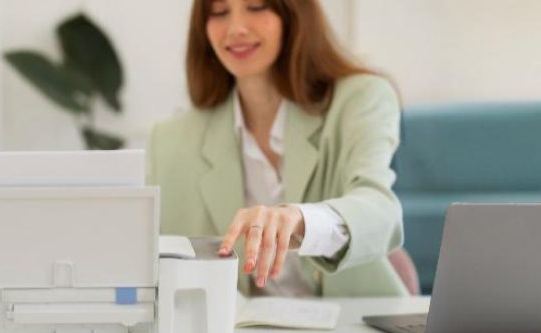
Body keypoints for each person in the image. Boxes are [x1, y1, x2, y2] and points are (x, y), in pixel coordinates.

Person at [148, 0, 406, 297]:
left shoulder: (361, 98)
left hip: (357, 317)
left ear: (293, 14)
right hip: (244, 326)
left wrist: (303, 221)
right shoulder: (171, 140)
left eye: (256, 6)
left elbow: (381, 211)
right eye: (219, 12)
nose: (236, 28)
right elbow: (154, 265)